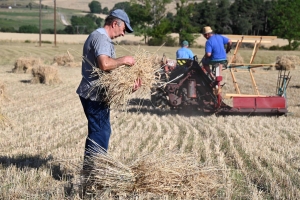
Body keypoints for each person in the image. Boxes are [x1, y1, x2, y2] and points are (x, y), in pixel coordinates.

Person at [76, 9, 141, 160]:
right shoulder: (101, 38)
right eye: (123, 29)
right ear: (114, 24)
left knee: (100, 131)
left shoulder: (100, 37)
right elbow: (104, 64)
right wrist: (123, 60)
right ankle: (93, 171)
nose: (123, 34)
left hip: (95, 94)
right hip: (94, 95)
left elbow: (108, 74)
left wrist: (128, 88)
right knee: (100, 133)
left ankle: (92, 169)